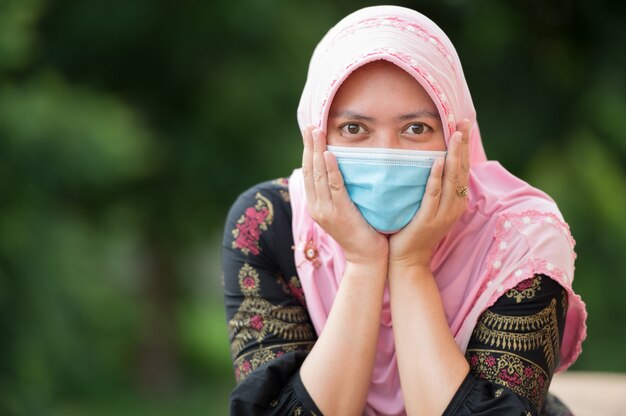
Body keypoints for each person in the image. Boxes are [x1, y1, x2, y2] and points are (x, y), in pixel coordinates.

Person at [222, 5, 586, 415]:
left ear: (456, 134)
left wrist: (411, 264)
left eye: (416, 129)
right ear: (316, 136)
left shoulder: (523, 239)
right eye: (353, 129)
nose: (385, 155)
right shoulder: (271, 223)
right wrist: (363, 263)